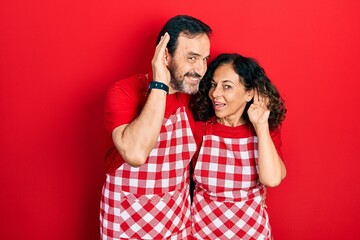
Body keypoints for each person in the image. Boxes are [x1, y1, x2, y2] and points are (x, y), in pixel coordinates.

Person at [99, 15, 212, 239]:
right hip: (127, 225)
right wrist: (160, 83)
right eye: (192, 58)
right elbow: (136, 153)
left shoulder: (195, 98)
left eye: (204, 59)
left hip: (175, 225)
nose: (200, 69)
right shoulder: (123, 92)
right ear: (165, 55)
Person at [190, 53, 287, 239]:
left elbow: (272, 179)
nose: (215, 93)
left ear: (250, 93)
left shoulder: (264, 130)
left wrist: (260, 126)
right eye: (213, 85)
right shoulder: (201, 129)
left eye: (227, 86)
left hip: (252, 233)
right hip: (203, 233)